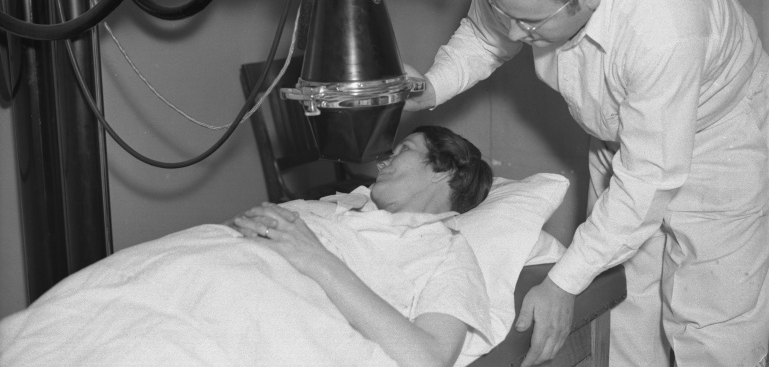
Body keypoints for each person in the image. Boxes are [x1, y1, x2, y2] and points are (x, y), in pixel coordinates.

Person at [405, 0, 769, 367]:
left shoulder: (663, 22)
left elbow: (648, 179)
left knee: (713, 319)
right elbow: (483, 37)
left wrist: (560, 283)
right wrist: (431, 87)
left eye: (530, 24)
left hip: (717, 139)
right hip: (620, 136)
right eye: (502, 11)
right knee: (625, 300)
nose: (513, 35)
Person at [0, 125, 494, 367]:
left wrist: (312, 256)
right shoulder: (331, 207)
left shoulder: (444, 249)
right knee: (68, 321)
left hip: (251, 307)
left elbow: (428, 357)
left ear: (444, 169)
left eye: (402, 150)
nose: (383, 159)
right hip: (188, 268)